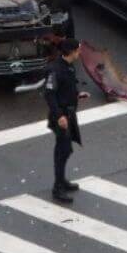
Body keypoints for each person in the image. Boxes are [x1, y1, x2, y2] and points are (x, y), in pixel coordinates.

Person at [44, 37, 82, 203]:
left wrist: (77, 95)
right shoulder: (55, 70)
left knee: (66, 150)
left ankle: (62, 181)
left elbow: (67, 88)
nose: (79, 53)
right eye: (78, 50)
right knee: (62, 151)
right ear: (72, 52)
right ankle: (58, 188)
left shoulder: (68, 66)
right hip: (61, 117)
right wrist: (59, 116)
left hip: (69, 114)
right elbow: (49, 94)